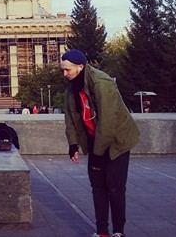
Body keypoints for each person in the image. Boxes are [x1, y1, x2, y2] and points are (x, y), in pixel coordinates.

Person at [61, 49, 139, 237]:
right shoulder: (72, 85)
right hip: (96, 139)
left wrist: (97, 155)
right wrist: (73, 144)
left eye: (67, 70)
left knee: (115, 187)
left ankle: (119, 231)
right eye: (62, 70)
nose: (64, 74)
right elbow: (71, 116)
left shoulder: (101, 83)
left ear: (80, 67)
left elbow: (108, 122)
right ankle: (102, 232)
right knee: (98, 187)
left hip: (117, 140)